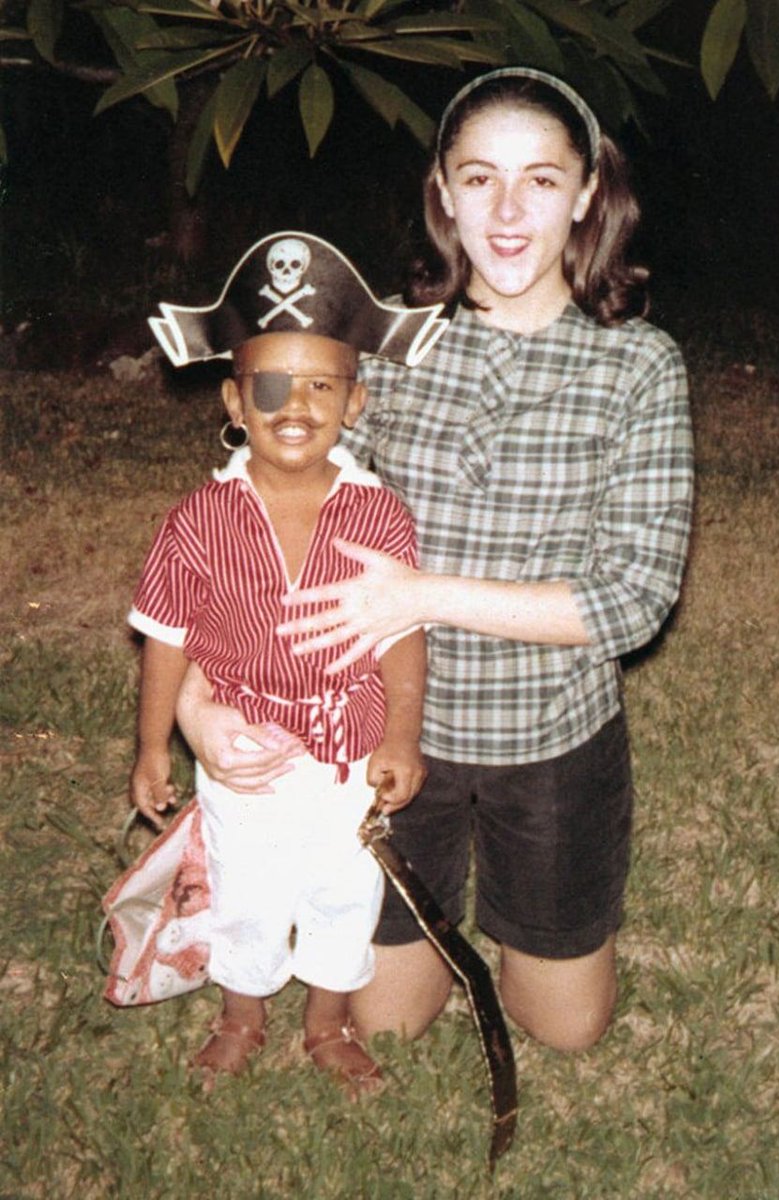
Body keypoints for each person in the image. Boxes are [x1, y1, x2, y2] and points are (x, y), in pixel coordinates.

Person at [177, 69, 694, 1053]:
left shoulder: (638, 366)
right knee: (387, 1022)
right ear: (443, 193)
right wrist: (200, 701)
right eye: (480, 178)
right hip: (384, 736)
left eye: (541, 181)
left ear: (586, 194)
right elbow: (254, 531)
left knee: (565, 1031)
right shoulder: (384, 349)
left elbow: (632, 602)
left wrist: (419, 595)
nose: (508, 211)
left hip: (550, 739)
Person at [117, 232, 448, 1089]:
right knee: (250, 889)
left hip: (349, 751)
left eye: (320, 385)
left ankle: (327, 1023)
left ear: (355, 403)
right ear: (235, 400)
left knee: (345, 888)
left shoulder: (379, 514)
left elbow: (401, 635)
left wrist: (401, 737)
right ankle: (241, 1015)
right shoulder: (198, 520)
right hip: (246, 753)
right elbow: (166, 636)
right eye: (268, 385)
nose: (293, 404)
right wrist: (154, 747)